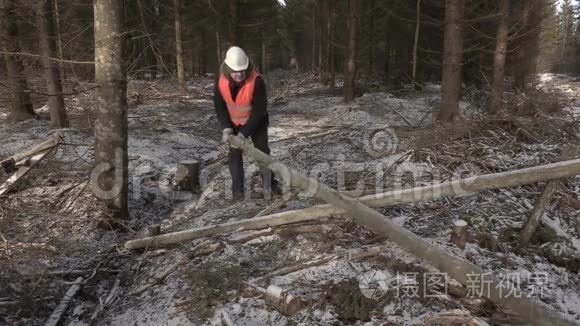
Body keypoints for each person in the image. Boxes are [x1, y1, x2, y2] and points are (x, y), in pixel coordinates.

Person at [213, 46, 279, 200]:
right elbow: (219, 106)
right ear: (228, 69)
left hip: (256, 122)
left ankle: (270, 186)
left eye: (242, 70)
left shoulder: (257, 82)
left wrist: (244, 133)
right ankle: (237, 191)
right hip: (233, 122)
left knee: (262, 153)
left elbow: (259, 111)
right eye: (236, 71)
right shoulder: (220, 82)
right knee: (234, 154)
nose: (239, 74)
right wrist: (226, 127)